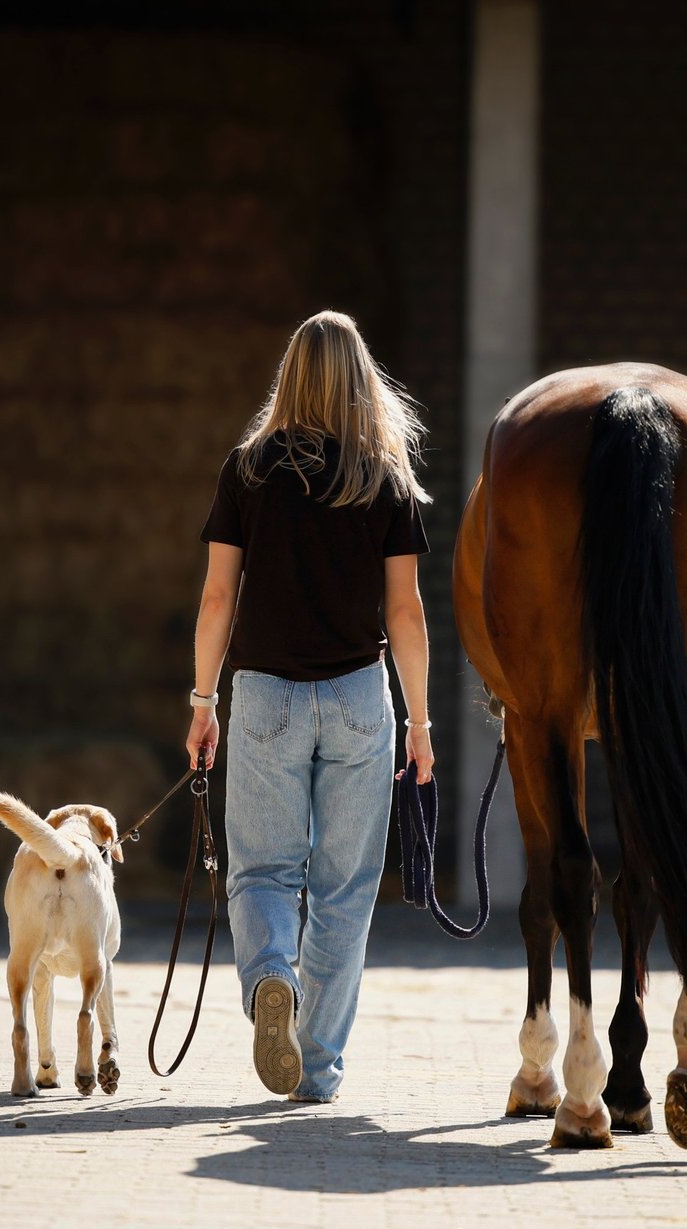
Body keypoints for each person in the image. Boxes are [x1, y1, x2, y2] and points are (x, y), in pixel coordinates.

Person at [185, 310, 436, 1104]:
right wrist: (421, 723)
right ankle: (318, 1067)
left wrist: (201, 700)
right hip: (363, 695)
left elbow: (219, 594)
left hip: (264, 696)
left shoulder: (247, 470)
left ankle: (270, 979)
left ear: (290, 376)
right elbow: (406, 617)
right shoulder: (384, 479)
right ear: (364, 383)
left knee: (262, 871)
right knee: (345, 888)